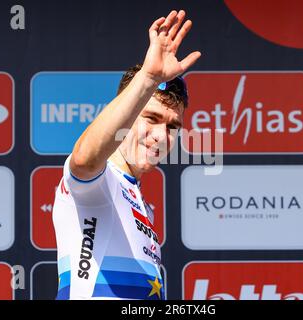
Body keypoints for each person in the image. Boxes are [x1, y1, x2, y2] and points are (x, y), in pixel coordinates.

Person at [52, 10, 201, 300]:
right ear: (129, 114)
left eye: (172, 126)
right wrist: (147, 78)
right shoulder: (103, 182)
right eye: (151, 118)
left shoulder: (139, 200)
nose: (161, 136)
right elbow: (84, 160)